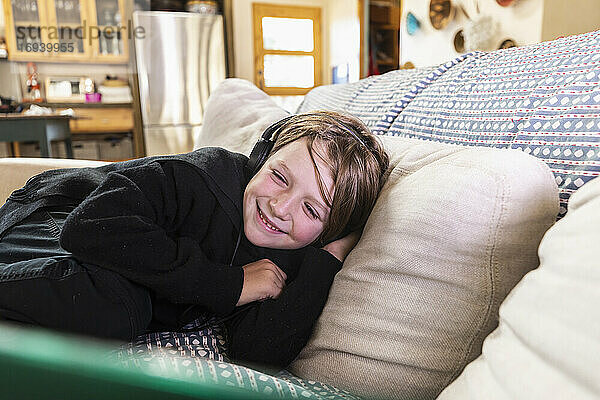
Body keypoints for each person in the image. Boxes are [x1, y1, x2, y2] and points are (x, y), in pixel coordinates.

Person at [0, 111, 389, 369]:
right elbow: (90, 226)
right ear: (263, 157)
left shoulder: (290, 252)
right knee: (118, 305)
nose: (280, 206)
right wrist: (228, 284)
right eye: (280, 177)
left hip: (97, 258)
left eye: (312, 211)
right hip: (54, 220)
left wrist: (329, 258)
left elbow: (257, 352)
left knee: (125, 305)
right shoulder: (199, 180)